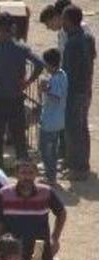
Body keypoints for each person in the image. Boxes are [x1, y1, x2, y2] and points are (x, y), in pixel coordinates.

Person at [0, 13, 44, 168]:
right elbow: (39, 64)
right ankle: (24, 171)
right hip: (16, 99)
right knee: (19, 139)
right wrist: (27, 82)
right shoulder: (21, 49)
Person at [61, 5, 96, 181]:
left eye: (63, 19)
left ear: (69, 20)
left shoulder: (71, 43)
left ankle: (76, 168)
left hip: (74, 91)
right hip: (86, 89)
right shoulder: (88, 38)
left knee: (73, 130)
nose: (62, 23)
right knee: (82, 128)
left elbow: (67, 71)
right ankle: (82, 165)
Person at [38, 49, 68, 185]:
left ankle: (50, 178)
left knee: (46, 150)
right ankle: (52, 175)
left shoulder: (55, 79)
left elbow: (56, 96)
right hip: (58, 120)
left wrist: (45, 89)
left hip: (50, 121)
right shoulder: (63, 75)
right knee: (53, 149)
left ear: (49, 64)